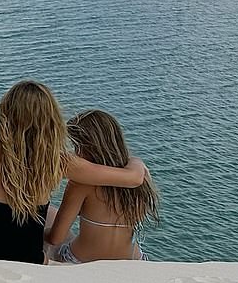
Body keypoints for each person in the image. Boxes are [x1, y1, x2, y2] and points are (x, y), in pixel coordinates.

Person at [0, 81, 146, 264]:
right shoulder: (58, 161)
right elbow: (134, 178)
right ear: (50, 122)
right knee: (48, 214)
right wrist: (134, 160)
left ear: (5, 115)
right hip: (33, 260)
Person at [46, 109, 160, 263]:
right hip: (134, 261)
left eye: (76, 147)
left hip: (83, 262)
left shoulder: (81, 185)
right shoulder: (139, 179)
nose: (74, 153)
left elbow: (56, 237)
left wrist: (36, 232)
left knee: (48, 214)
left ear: (87, 147)